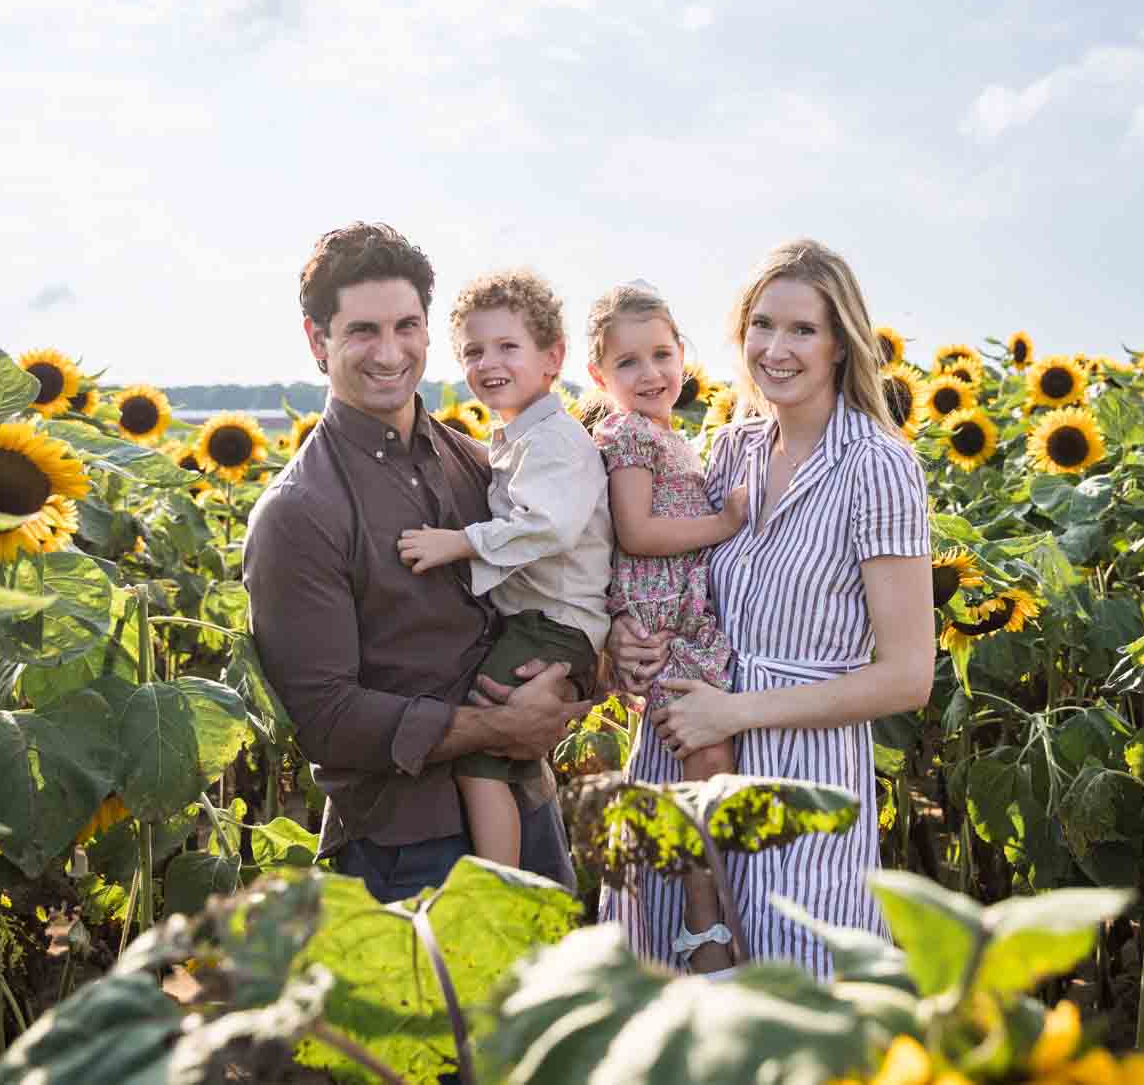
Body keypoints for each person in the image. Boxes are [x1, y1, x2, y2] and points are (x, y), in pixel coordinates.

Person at [605, 239, 936, 975]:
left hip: (799, 780)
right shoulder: (728, 449)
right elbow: (655, 565)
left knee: (796, 1015)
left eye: (802, 330)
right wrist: (622, 635)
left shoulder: (876, 465)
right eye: (761, 325)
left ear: (842, 346)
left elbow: (909, 677)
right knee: (673, 1024)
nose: (775, 349)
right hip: (680, 755)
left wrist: (737, 712)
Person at [243, 224, 595, 903]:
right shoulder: (298, 512)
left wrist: (579, 675)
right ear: (318, 341)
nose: (390, 352)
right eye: (363, 331)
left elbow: (556, 585)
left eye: (407, 326)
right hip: (405, 845)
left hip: (530, 809)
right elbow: (328, 716)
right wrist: (497, 725)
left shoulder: (480, 460)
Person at [397, 269, 612, 869]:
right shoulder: (517, 438)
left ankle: (499, 882)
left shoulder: (555, 442)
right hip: (545, 622)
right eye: (473, 350)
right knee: (507, 749)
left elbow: (550, 526)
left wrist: (457, 543)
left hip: (554, 624)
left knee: (479, 754)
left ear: (552, 358)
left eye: (507, 347)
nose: (488, 362)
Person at [584, 280, 752, 972]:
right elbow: (637, 530)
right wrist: (725, 522)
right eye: (628, 363)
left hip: (681, 614)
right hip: (661, 619)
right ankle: (701, 917)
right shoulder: (626, 434)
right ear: (599, 376)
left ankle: (705, 904)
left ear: (684, 354)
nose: (649, 373)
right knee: (706, 754)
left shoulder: (668, 434)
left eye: (661, 353)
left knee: (710, 754)